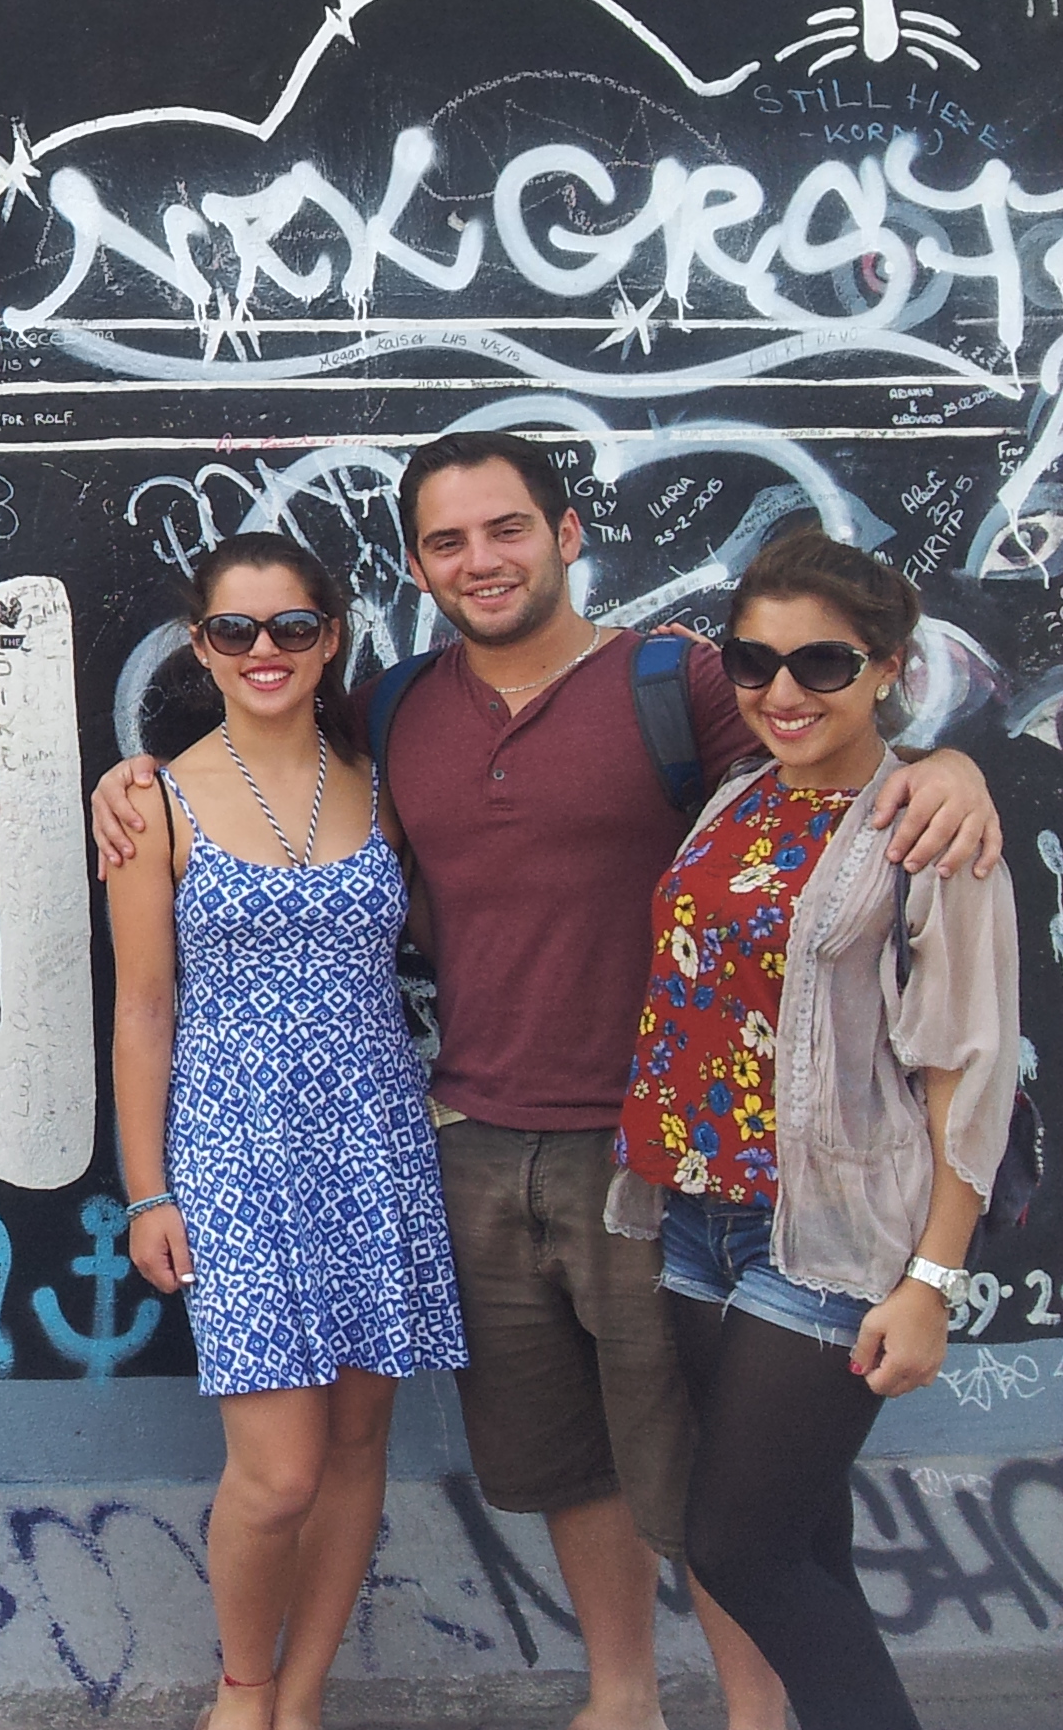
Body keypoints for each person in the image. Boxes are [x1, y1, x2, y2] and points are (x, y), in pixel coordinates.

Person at [92, 431, 1002, 1730]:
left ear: (567, 534)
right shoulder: (393, 710)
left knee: (699, 1475)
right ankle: (620, 1699)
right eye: (448, 542)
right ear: (417, 569)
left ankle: (755, 1718)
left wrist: (948, 765)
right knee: (569, 1459)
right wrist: (133, 779)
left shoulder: (681, 682)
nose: (482, 560)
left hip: (647, 1157)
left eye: (507, 528)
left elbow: (829, 738)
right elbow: (257, 756)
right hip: (466, 1141)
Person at [608, 529, 1021, 1730]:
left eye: (822, 664)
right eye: (754, 661)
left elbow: (967, 1074)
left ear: (888, 667)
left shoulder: (930, 832)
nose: (782, 691)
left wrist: (931, 1283)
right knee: (802, 1543)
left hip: (834, 1237)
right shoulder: (736, 796)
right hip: (702, 1222)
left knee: (736, 1548)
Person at [108, 532, 465, 1730]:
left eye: (293, 627)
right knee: (279, 1474)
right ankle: (243, 1693)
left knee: (359, 1447)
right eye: (236, 629)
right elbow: (143, 1010)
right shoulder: (153, 800)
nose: (266, 650)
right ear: (202, 647)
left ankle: (303, 1699)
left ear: (331, 638)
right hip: (234, 1154)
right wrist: (149, 1191)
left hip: (372, 1141)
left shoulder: (386, 784)